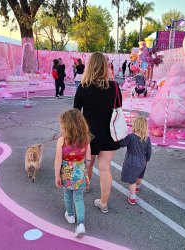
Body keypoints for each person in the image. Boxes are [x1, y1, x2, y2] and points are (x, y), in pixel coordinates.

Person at [74, 52, 122, 213]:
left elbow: (75, 112)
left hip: (89, 133)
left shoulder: (83, 87)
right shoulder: (114, 87)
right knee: (105, 167)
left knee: (88, 162)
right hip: (109, 132)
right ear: (104, 66)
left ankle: (86, 185)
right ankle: (104, 202)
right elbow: (118, 108)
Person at [54, 109, 91, 237]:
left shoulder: (62, 141)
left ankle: (70, 215)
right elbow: (88, 159)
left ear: (66, 126)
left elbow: (58, 160)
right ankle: (80, 224)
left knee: (68, 195)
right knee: (79, 198)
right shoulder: (86, 139)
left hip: (67, 173)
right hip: (80, 172)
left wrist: (57, 176)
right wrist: (83, 170)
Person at [119, 116, 152, 205]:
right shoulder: (147, 138)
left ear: (135, 126)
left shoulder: (131, 137)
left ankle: (132, 197)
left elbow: (122, 144)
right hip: (142, 160)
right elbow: (149, 150)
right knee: (139, 176)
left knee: (131, 180)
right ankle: (137, 187)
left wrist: (119, 138)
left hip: (131, 161)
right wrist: (147, 159)